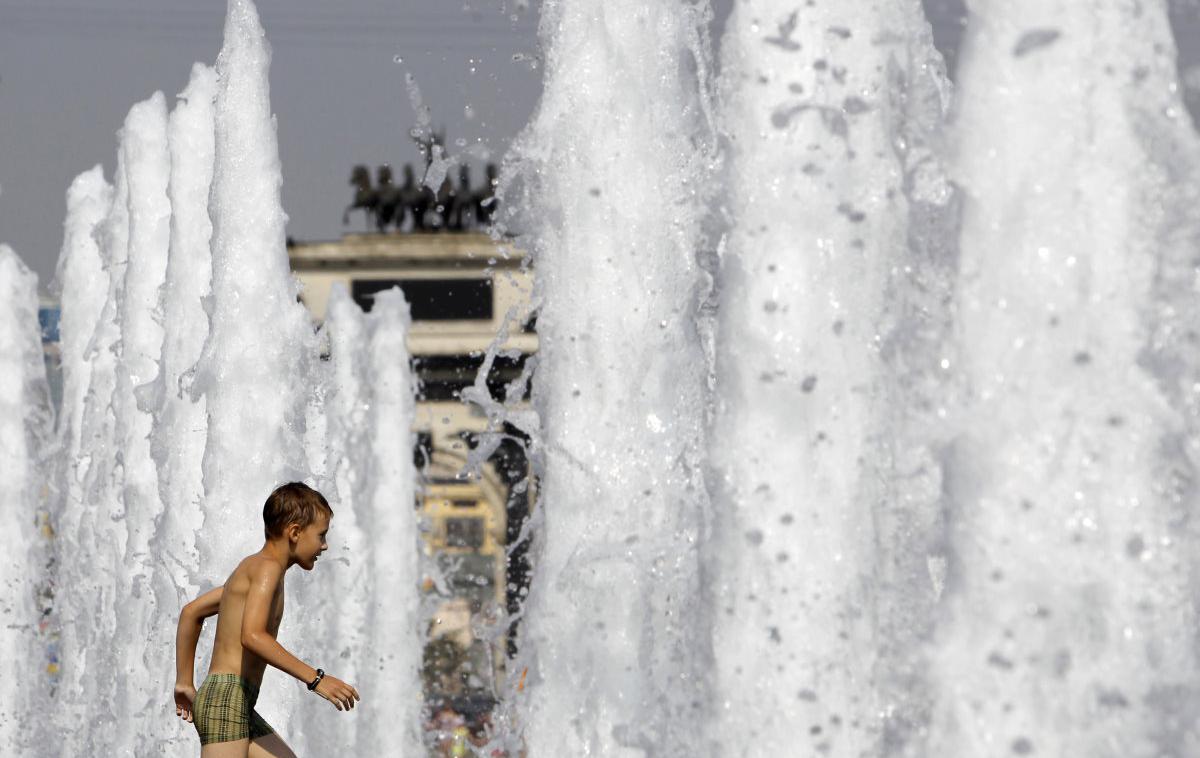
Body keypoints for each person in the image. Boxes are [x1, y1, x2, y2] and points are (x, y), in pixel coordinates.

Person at [172, 482, 360, 757]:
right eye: (321, 536)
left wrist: (184, 683)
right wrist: (316, 679)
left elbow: (192, 612)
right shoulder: (267, 569)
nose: (325, 545)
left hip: (238, 700)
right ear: (295, 532)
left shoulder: (256, 571)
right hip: (226, 698)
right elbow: (252, 635)